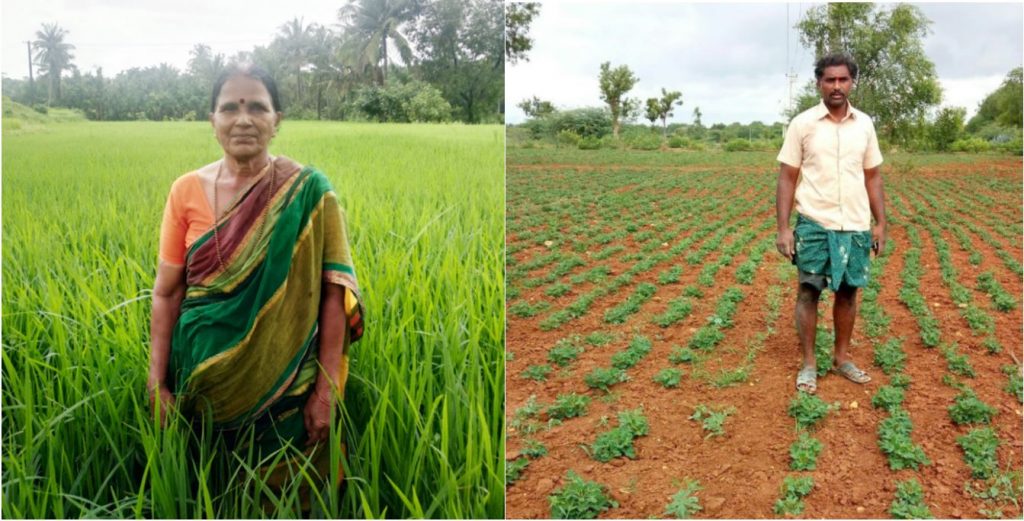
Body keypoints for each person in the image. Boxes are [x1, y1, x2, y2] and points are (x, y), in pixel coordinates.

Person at [147, 64, 364, 509]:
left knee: (295, 491)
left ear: (276, 119)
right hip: (203, 382)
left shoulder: (309, 190)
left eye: (257, 107)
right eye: (229, 107)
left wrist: (327, 391)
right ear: (212, 121)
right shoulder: (184, 190)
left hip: (286, 383)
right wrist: (156, 383)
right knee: (209, 490)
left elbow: (332, 293)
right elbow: (167, 293)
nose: (242, 119)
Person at [775, 53, 887, 394]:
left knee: (849, 292)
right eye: (829, 80)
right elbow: (787, 177)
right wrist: (783, 227)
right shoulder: (803, 124)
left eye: (843, 79)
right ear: (819, 83)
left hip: (855, 223)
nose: (836, 86)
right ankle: (809, 364)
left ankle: (841, 358)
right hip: (814, 221)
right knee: (809, 290)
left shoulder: (865, 124)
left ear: (852, 82)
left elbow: (873, 177)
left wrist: (880, 223)